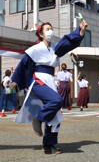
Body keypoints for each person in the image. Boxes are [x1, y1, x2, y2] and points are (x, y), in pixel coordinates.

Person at [10, 20, 88, 154]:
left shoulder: (56, 48)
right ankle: (38, 118)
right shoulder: (35, 49)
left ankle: (48, 145)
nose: (50, 30)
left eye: (51, 28)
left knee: (55, 114)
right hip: (38, 80)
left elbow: (69, 41)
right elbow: (24, 65)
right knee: (57, 101)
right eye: (47, 29)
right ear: (40, 33)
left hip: (51, 80)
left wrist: (80, 31)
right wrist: (15, 80)